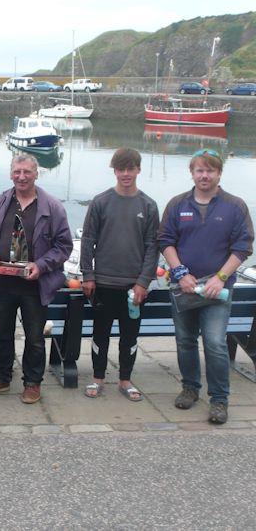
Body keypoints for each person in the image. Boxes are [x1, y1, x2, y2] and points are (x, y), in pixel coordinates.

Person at [159, 149, 254, 424]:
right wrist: (180, 272)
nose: (204, 175)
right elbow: (165, 240)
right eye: (200, 170)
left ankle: (220, 400)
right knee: (185, 341)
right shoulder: (177, 204)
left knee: (214, 343)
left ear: (219, 173)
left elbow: (242, 247)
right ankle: (190, 388)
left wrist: (220, 278)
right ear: (192, 173)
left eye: (210, 170)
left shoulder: (235, 206)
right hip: (184, 287)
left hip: (217, 289)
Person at [0, 154, 72, 404]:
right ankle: (1, 379)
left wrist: (41, 265)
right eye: (17, 172)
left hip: (35, 285)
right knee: (2, 334)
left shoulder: (52, 207)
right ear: (11, 174)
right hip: (3, 283)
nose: (21, 176)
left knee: (35, 338)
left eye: (27, 172)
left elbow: (64, 246)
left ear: (36, 173)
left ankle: (32, 383)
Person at [80, 148, 160, 401]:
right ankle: (97, 378)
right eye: (120, 169)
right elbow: (88, 240)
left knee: (130, 337)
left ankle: (125, 379)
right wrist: (88, 275)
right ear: (114, 170)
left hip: (133, 288)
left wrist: (143, 282)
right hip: (103, 282)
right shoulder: (100, 201)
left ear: (138, 169)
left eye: (130, 168)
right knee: (100, 334)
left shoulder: (148, 205)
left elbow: (152, 247)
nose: (125, 174)